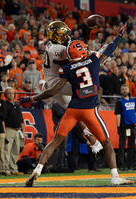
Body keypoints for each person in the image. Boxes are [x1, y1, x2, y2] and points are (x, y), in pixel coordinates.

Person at [21, 23, 134, 186]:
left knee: (55, 140)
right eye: (65, 35)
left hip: (65, 98)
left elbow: (70, 61)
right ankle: (111, 168)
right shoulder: (86, 59)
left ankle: (38, 169)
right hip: (75, 99)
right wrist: (115, 38)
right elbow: (98, 53)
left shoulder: (64, 64)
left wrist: (32, 98)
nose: (68, 37)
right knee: (97, 92)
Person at [35, 21, 102, 153]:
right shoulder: (57, 49)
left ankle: (93, 142)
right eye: (63, 34)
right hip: (57, 84)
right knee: (97, 88)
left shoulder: (54, 45)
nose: (66, 36)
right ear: (56, 36)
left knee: (74, 113)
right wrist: (96, 54)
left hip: (55, 83)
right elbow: (77, 58)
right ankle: (93, 115)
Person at [115, 84, 136, 171]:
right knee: (122, 147)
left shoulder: (133, 101)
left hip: (132, 126)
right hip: (123, 126)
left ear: (128, 91)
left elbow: (135, 112)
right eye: (123, 89)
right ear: (121, 91)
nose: (124, 91)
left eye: (126, 89)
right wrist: (118, 127)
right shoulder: (119, 102)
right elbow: (118, 115)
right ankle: (121, 166)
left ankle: (130, 165)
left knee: (131, 147)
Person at [4, 87, 25, 175]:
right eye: (9, 93)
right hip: (8, 129)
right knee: (7, 150)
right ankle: (6, 169)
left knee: (16, 150)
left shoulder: (17, 105)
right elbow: (3, 119)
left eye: (12, 93)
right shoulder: (4, 105)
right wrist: (4, 131)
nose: (11, 95)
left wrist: (23, 130)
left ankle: (14, 169)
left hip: (17, 130)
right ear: (6, 95)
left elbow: (21, 119)